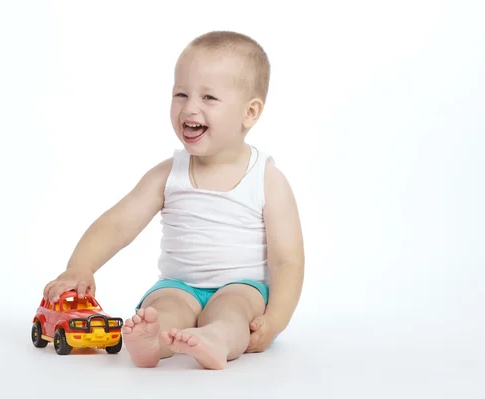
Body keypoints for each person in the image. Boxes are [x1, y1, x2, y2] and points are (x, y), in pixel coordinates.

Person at [43, 30, 305, 370]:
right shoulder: (169, 174)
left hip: (243, 288)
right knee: (163, 307)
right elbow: (118, 224)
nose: (189, 107)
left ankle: (218, 339)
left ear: (250, 113)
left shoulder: (266, 179)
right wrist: (80, 266)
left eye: (208, 97)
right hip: (179, 285)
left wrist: (276, 321)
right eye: (180, 94)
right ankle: (154, 341)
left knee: (232, 312)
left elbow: (288, 261)